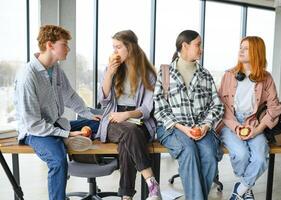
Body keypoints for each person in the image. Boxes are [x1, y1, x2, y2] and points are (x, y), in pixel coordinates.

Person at [13, 25, 101, 200]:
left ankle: (68, 139)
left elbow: (69, 95)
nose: (68, 48)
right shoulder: (27, 76)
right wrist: (67, 133)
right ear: (49, 45)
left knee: (99, 123)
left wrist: (89, 114)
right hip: (35, 132)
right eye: (64, 44)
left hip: (55, 124)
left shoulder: (55, 69)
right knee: (58, 160)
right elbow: (34, 124)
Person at [153, 30, 224, 200]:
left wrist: (206, 125)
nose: (201, 49)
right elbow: (160, 109)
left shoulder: (205, 74)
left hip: (201, 127)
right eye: (198, 45)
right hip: (172, 128)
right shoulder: (165, 73)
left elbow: (217, 105)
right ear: (184, 45)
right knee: (189, 151)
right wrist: (182, 128)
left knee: (209, 153)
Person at [95, 30, 161, 200]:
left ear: (130, 47)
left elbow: (147, 108)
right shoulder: (111, 69)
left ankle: (126, 196)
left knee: (128, 141)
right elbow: (103, 101)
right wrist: (109, 74)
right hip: (113, 119)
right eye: (113, 48)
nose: (114, 52)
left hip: (138, 120)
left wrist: (128, 115)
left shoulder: (149, 74)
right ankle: (152, 183)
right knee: (130, 132)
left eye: (118, 47)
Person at [218, 36, 281, 200]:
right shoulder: (229, 75)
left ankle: (241, 189)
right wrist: (236, 127)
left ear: (256, 52)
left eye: (245, 48)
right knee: (241, 155)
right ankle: (245, 188)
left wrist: (258, 129)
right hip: (230, 123)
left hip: (254, 124)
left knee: (261, 158)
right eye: (240, 47)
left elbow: (274, 108)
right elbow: (222, 107)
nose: (241, 50)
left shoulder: (266, 78)